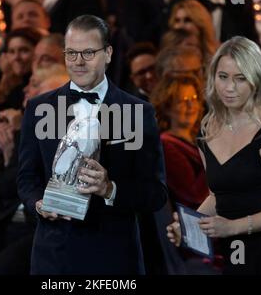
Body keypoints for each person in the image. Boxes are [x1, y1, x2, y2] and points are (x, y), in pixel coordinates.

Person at [17, 14, 167, 274]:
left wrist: (110, 189)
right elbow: (26, 179)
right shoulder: (38, 108)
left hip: (114, 259)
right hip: (54, 257)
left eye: (88, 52)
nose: (78, 62)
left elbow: (155, 193)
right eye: (71, 53)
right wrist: (39, 204)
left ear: (108, 54)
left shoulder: (137, 113)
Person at [167, 36, 261, 274]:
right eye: (223, 77)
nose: (229, 88)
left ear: (255, 81)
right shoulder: (208, 128)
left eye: (240, 79)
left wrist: (234, 227)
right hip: (235, 254)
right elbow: (219, 194)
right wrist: (191, 224)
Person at [151, 72, 209, 209]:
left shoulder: (200, 139)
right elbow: (194, 195)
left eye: (194, 98)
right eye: (182, 100)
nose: (191, 105)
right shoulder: (166, 145)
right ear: (167, 107)